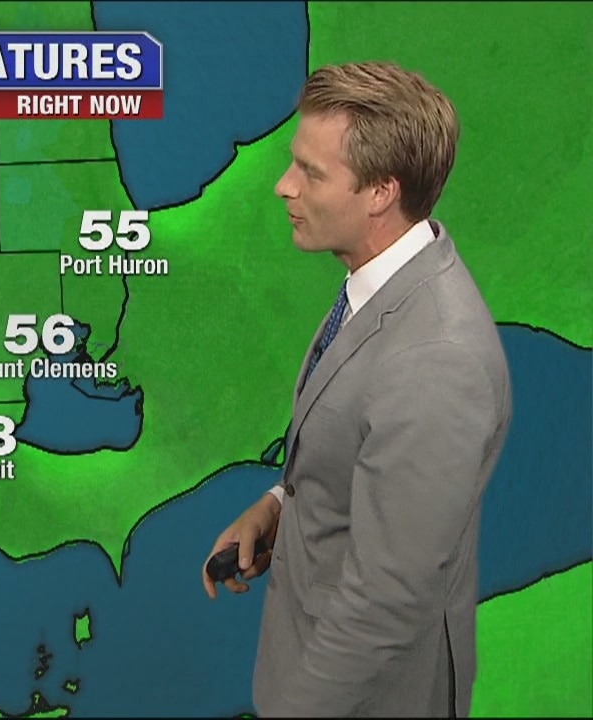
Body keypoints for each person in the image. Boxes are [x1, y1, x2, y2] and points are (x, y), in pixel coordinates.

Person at [201, 61, 514, 717]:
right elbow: (357, 448)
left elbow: (385, 604)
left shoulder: (435, 360)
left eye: (311, 173)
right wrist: (279, 506)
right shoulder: (379, 286)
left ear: (380, 193)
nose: (284, 186)